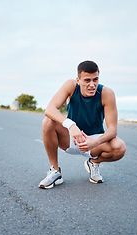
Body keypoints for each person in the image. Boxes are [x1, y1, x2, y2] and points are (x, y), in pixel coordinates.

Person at [38, 60, 126, 189]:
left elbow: (112, 130)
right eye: (87, 80)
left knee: (120, 147)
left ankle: (93, 163)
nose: (92, 85)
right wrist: (71, 125)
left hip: (94, 142)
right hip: (70, 138)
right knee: (47, 122)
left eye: (95, 79)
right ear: (78, 80)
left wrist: (95, 142)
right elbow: (50, 109)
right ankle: (55, 171)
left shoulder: (107, 93)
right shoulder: (71, 86)